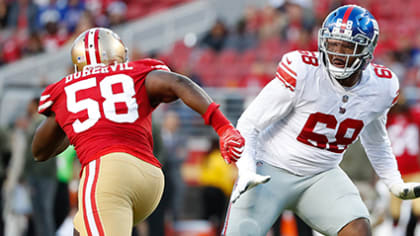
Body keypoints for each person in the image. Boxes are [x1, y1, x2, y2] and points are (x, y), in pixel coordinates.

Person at [222, 5, 420, 236]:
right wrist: (246, 169)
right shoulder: (304, 71)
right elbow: (249, 123)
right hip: (268, 171)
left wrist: (394, 182)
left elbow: (376, 141)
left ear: (367, 50)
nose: (337, 52)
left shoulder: (381, 87)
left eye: (347, 45)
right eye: (333, 43)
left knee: (357, 229)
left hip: (321, 176)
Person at [31, 27, 245, 236]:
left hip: (107, 172)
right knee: (81, 227)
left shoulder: (67, 88)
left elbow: (39, 150)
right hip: (150, 179)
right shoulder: (136, 72)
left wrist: (73, 124)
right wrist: (223, 127)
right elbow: (178, 82)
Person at [387, 96, 420, 236]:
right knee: (395, 209)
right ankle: (397, 231)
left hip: (414, 170)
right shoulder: (388, 119)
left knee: (418, 207)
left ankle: (409, 231)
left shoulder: (413, 117)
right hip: (395, 172)